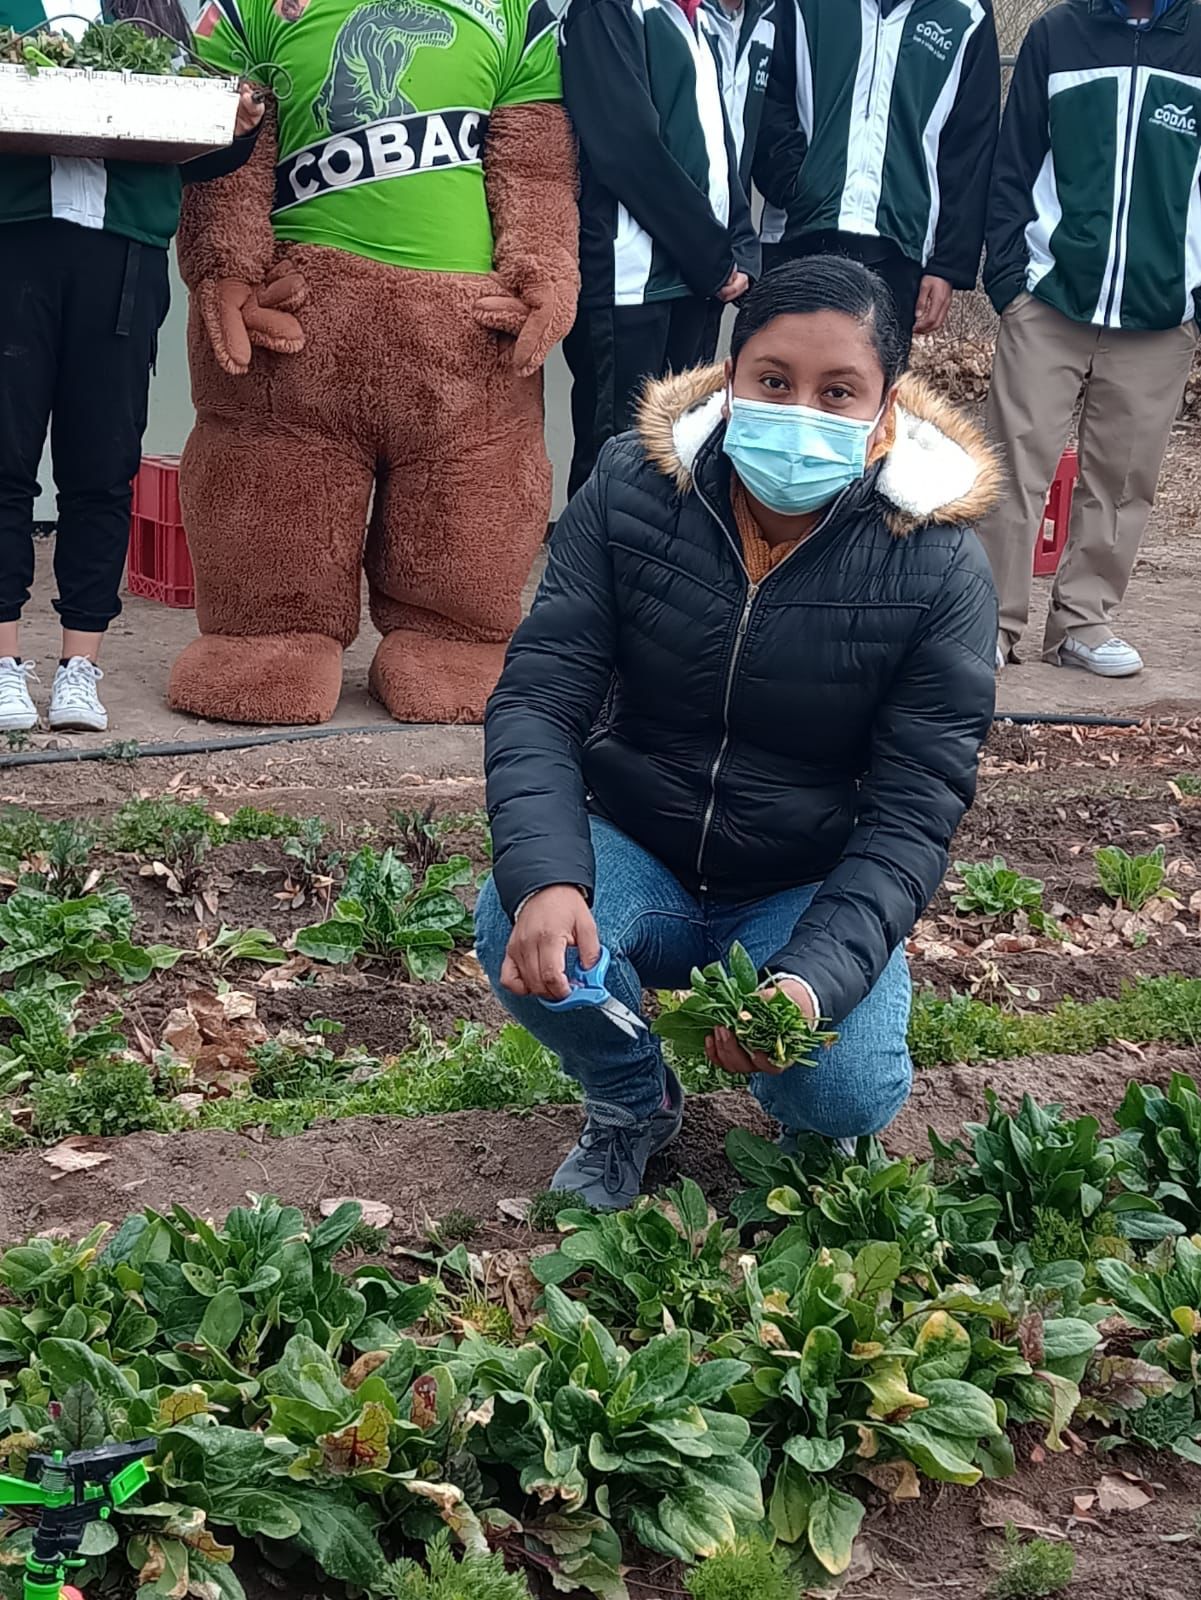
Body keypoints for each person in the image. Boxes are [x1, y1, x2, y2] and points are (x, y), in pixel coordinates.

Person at [475, 256, 999, 1210]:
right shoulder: (633, 490)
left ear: (885, 411)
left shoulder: (936, 565)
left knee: (840, 1094)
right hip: (643, 844)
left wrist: (811, 978)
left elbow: (913, 810)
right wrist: (548, 875)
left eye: (837, 392)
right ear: (730, 378)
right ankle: (634, 1100)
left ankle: (815, 1077)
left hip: (800, 882)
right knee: (518, 926)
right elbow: (539, 695)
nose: (800, 410)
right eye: (773, 381)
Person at [0, 0, 262, 735]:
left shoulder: (148, 13)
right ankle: (3, 664)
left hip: (122, 260)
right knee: (4, 461)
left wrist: (237, 125)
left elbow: (194, 149)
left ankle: (81, 666)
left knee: (102, 468)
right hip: (14, 246)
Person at [978, 0, 1201, 680]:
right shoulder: (1055, 33)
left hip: (1162, 312)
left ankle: (1082, 621)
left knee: (1122, 478)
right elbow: (1011, 161)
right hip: (1048, 301)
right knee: (1012, 466)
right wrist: (1009, 280)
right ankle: (987, 623)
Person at [560, 0, 761, 500]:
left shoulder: (694, 19)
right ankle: (595, 581)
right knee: (616, 469)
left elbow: (719, 147)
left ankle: (652, 581)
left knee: (678, 461)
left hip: (694, 285)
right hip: (631, 288)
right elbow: (628, 149)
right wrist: (713, 259)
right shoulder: (605, 10)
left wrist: (739, 247)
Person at [754, 0, 1001, 358]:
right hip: (800, 231)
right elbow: (767, 96)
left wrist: (947, 264)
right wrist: (796, 183)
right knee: (782, 381)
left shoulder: (966, 12)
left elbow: (971, 147)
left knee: (869, 396)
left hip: (899, 248)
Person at [699, 0, 776, 355]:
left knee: (690, 405)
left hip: (719, 260)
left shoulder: (768, 20)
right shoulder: (675, 13)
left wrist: (740, 251)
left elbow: (741, 151)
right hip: (651, 262)